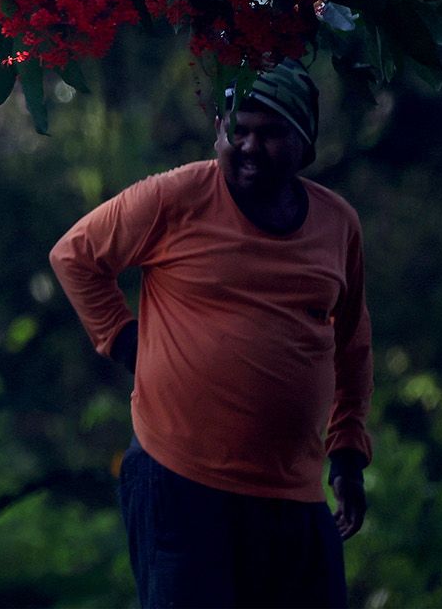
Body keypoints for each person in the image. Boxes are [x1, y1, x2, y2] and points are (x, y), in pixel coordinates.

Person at [49, 60, 371, 609]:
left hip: (292, 491)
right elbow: (75, 256)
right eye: (236, 130)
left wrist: (346, 452)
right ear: (218, 130)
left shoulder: (337, 224)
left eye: (270, 134)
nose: (248, 147)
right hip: (180, 481)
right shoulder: (176, 197)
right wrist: (125, 341)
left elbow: (352, 343)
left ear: (304, 142)